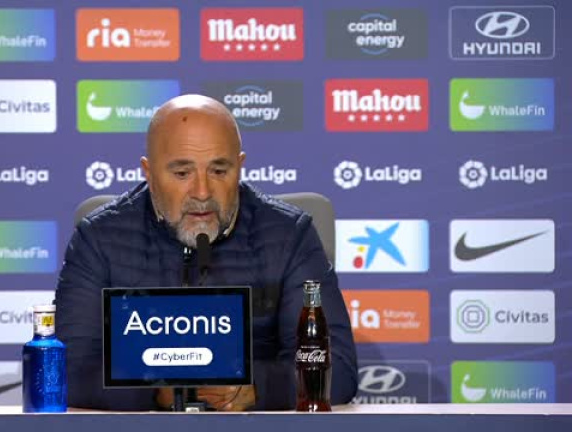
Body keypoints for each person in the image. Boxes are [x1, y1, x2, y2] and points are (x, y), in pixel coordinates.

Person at [55, 94, 357, 411]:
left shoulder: (288, 236)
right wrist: (157, 389)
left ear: (239, 167)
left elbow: (336, 370)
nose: (202, 192)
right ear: (149, 172)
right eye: (182, 173)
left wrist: (254, 387)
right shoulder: (100, 239)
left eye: (219, 171)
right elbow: (68, 371)